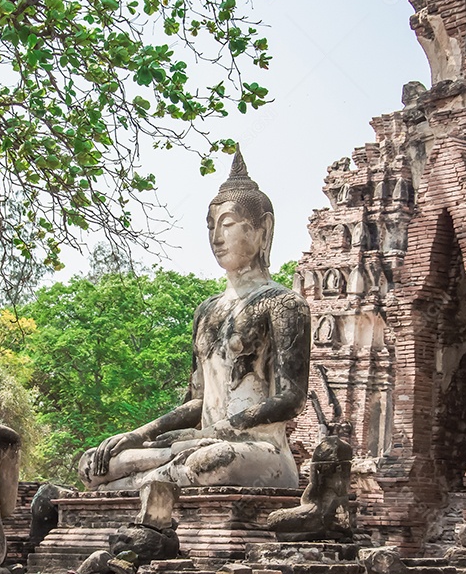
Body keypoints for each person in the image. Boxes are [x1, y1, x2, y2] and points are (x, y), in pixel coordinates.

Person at [78, 148, 310, 490]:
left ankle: (137, 483)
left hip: (255, 450)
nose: (217, 237)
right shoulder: (206, 310)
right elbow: (197, 402)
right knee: (93, 460)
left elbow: (291, 399)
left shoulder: (284, 304)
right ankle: (152, 478)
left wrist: (213, 433)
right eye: (210, 226)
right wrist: (138, 434)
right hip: (197, 442)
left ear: (264, 230)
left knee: (209, 462)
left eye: (228, 225)